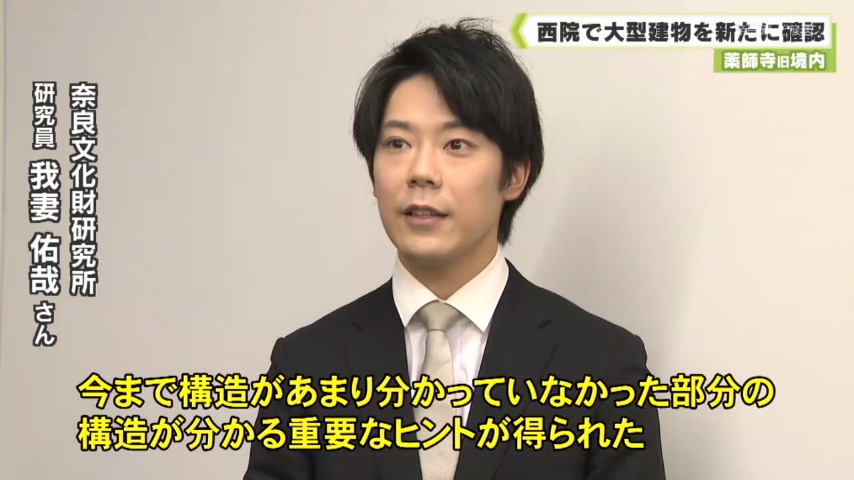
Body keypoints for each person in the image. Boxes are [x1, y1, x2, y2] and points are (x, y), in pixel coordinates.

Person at [244, 17, 666, 480]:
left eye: (456, 144)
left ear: (514, 175)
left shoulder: (604, 364)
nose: (421, 171)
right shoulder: (305, 366)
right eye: (398, 143)